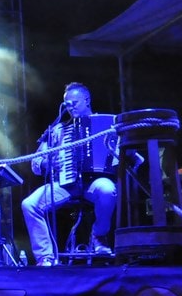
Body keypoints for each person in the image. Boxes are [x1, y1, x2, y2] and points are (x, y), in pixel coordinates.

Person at [21, 82, 117, 267]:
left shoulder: (106, 124)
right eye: (67, 104)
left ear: (87, 100)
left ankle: (98, 235)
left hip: (94, 182)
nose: (70, 108)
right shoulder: (58, 130)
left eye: (74, 103)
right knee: (29, 204)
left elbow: (124, 155)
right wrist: (47, 163)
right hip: (66, 184)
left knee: (107, 190)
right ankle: (45, 257)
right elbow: (35, 162)